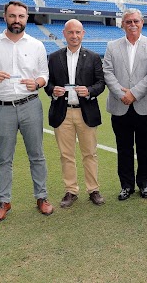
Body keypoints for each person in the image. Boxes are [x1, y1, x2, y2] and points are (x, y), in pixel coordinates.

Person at [0, 0, 53, 223]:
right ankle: (4, 201)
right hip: (2, 108)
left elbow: (44, 75)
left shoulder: (36, 45)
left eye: (21, 16)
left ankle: (42, 197)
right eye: (12, 16)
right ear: (5, 17)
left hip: (30, 105)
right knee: (3, 159)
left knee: (37, 156)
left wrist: (37, 82)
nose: (17, 20)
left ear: (27, 18)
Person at [45, 19, 106, 208]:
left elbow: (101, 83)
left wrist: (89, 91)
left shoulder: (94, 57)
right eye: (71, 32)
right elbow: (47, 83)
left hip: (85, 112)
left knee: (90, 153)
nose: (74, 36)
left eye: (78, 32)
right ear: (64, 33)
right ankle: (71, 191)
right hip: (62, 113)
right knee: (66, 155)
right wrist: (53, 90)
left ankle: (93, 189)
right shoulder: (54, 57)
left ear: (83, 34)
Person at [103, 8, 147, 201]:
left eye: (136, 21)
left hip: (144, 103)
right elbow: (108, 73)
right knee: (124, 147)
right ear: (122, 25)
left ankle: (145, 183)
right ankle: (126, 185)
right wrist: (122, 93)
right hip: (120, 105)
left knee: (146, 147)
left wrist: (134, 93)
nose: (133, 24)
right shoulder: (112, 46)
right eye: (128, 22)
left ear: (142, 23)